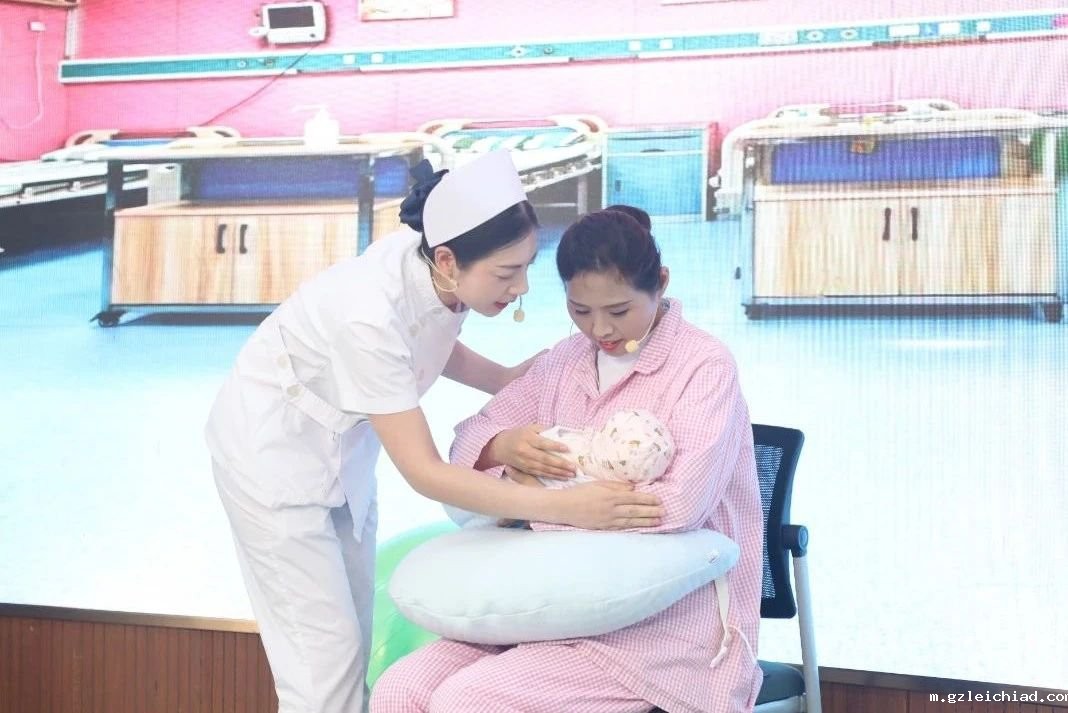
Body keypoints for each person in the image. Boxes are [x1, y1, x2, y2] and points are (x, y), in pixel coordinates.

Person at [204, 155, 664, 713]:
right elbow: (426, 472)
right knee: (321, 664)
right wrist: (569, 507)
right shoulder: (367, 317)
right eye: (506, 273)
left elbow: (429, 335)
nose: (520, 287)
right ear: (448, 261)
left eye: (526, 267)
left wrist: (505, 380)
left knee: (352, 634)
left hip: (340, 454)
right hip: (272, 459)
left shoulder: (435, 264)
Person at [370, 205, 764, 713]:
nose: (600, 329)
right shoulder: (564, 360)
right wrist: (503, 446)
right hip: (548, 600)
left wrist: (536, 501)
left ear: (661, 283)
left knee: (469, 702)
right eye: (580, 311)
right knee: (399, 691)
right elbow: (466, 444)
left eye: (618, 311)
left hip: (663, 628)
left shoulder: (704, 366)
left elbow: (679, 505)